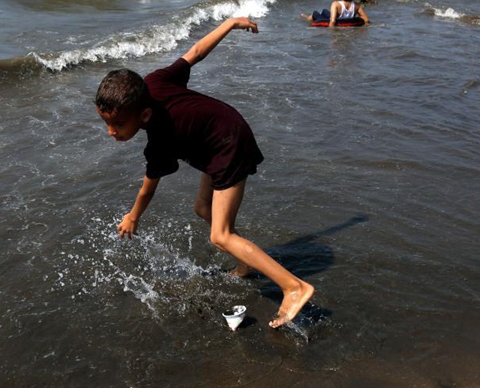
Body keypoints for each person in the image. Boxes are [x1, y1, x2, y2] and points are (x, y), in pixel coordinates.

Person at [94, 17, 316, 329]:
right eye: (107, 123)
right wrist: (231, 23)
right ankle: (245, 264)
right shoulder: (153, 83)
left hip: (228, 145)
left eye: (117, 125)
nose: (110, 132)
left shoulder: (159, 139)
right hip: (219, 134)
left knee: (220, 235)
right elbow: (196, 51)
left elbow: (148, 189)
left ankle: (294, 287)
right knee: (202, 208)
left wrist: (133, 217)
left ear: (143, 115)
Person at [302, 0, 370, 27]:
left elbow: (333, 21)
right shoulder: (356, 5)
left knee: (315, 13)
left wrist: (332, 35)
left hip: (337, 21)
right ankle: (309, 15)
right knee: (324, 11)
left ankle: (306, 19)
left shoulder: (336, 4)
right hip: (347, 20)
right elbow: (366, 19)